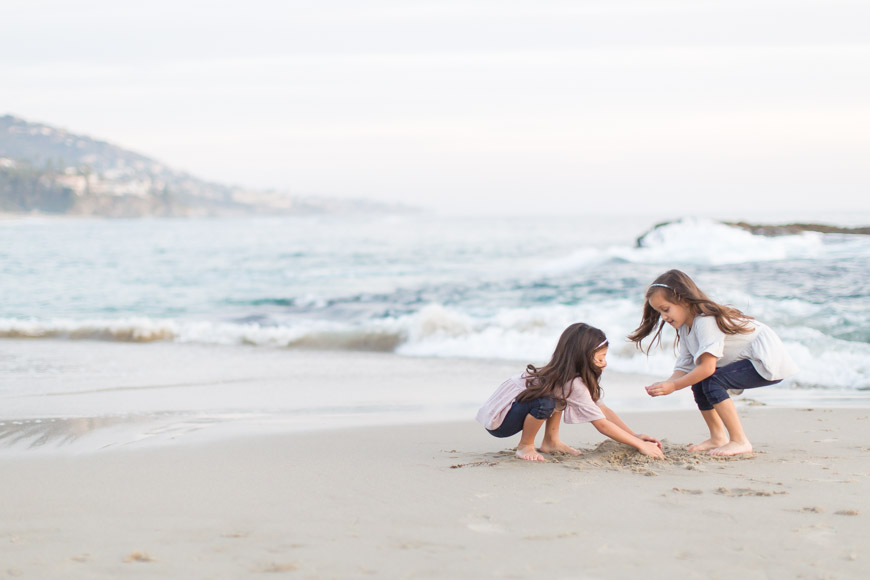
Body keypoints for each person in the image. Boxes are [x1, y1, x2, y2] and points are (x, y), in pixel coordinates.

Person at [628, 269, 798, 456]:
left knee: (711, 380)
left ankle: (740, 440)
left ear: (683, 300)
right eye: (659, 312)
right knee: (700, 381)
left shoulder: (706, 321)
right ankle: (718, 437)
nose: (664, 317)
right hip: (746, 359)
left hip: (766, 359)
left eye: (666, 309)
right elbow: (685, 366)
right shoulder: (686, 327)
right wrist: (668, 383)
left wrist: (674, 386)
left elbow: (707, 368)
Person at [476, 322, 664, 461]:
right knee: (545, 402)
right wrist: (640, 445)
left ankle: (551, 441)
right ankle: (525, 446)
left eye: (604, 357)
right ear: (581, 358)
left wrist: (634, 435)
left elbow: (604, 411)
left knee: (556, 398)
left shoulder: (568, 377)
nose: (604, 363)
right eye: (600, 359)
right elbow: (602, 425)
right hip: (500, 421)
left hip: (512, 409)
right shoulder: (573, 383)